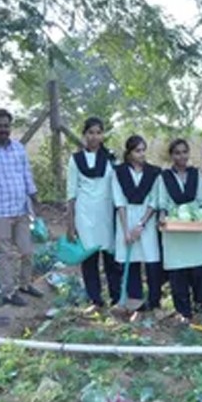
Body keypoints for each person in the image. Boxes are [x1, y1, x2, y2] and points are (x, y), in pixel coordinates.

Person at [0, 108, 42, 307]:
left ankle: (25, 284)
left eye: (6, 126)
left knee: (27, 251)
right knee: (5, 254)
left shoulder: (19, 149)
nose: (3, 129)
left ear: (10, 127)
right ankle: (8, 292)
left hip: (21, 210)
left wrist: (35, 200)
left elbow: (27, 176)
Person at [67, 117, 121, 314]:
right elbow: (71, 193)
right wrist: (70, 224)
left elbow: (118, 186)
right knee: (89, 260)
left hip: (107, 213)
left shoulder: (111, 157)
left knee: (111, 258)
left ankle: (116, 298)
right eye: (91, 132)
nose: (94, 136)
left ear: (103, 135)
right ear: (84, 135)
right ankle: (95, 300)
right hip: (84, 214)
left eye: (98, 132)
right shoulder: (75, 160)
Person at [158, 138, 202, 322]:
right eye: (177, 153)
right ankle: (183, 312)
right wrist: (163, 218)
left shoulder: (196, 174)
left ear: (188, 153)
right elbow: (162, 203)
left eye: (184, 152)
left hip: (194, 228)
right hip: (174, 231)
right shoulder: (163, 177)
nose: (181, 156)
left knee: (199, 270)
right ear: (171, 156)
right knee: (177, 273)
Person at [111, 135, 162, 312]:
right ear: (129, 152)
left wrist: (141, 225)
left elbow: (154, 201)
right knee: (131, 261)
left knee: (151, 260)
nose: (141, 154)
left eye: (143, 150)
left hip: (145, 221)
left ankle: (155, 302)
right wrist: (126, 230)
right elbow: (119, 202)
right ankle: (135, 302)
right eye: (137, 150)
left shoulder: (154, 172)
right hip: (126, 220)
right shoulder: (119, 172)